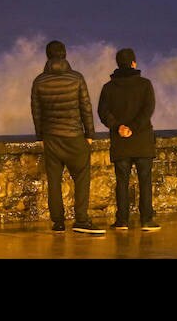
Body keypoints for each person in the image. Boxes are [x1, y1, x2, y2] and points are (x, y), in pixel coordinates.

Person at [31, 40, 105, 234]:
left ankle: (58, 222)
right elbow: (85, 107)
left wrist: (41, 136)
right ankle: (81, 219)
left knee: (54, 181)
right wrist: (90, 134)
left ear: (48, 56)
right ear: (64, 54)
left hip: (52, 138)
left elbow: (36, 112)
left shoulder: (39, 81)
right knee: (81, 178)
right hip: (74, 136)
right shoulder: (77, 78)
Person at [97, 47, 160, 231]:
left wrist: (119, 128)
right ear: (134, 63)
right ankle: (146, 219)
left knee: (122, 182)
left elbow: (103, 113)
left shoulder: (108, 88)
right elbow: (148, 110)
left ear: (118, 64)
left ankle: (122, 220)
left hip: (120, 141)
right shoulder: (145, 84)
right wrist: (134, 127)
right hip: (142, 140)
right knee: (145, 181)